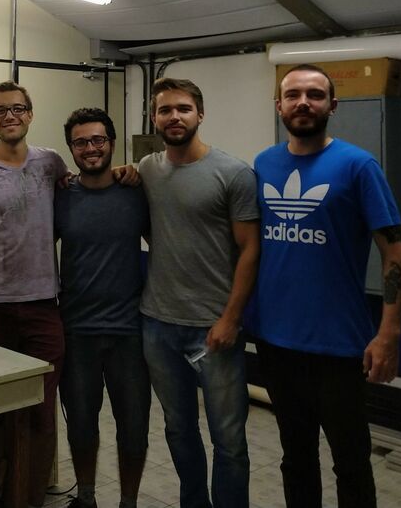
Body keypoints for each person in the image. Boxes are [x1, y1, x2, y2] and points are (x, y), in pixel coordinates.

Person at [250, 64, 401, 508]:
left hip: (338, 345)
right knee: (296, 457)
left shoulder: (359, 166)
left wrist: (389, 333)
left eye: (315, 95)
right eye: (293, 94)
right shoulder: (264, 164)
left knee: (350, 462)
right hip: (276, 341)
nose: (303, 102)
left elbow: (395, 251)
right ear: (279, 105)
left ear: (332, 105)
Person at [138, 77, 260, 508]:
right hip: (158, 324)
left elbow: (250, 250)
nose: (174, 116)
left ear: (200, 114)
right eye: (165, 110)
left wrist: (231, 319)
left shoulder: (234, 173)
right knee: (178, 430)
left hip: (213, 329)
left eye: (183, 109)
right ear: (154, 118)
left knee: (229, 439)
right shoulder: (147, 169)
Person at [0, 80, 69, 508]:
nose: (10, 116)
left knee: (41, 409)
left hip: (42, 304)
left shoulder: (50, 163)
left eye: (18, 108)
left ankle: (31, 497)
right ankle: (3, 483)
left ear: (30, 114)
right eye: (0, 110)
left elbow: (79, 189)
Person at [55, 108, 151, 508]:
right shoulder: (61, 196)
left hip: (130, 332)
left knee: (134, 429)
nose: (90, 148)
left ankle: (128, 501)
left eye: (98, 140)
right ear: (71, 149)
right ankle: (87, 497)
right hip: (76, 331)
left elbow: (166, 245)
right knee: (81, 425)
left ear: (111, 143)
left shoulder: (137, 193)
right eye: (80, 142)